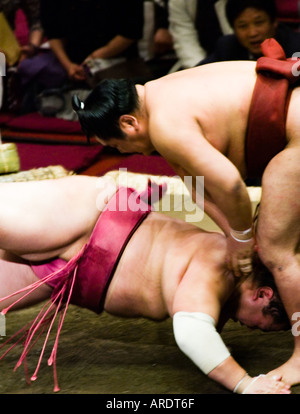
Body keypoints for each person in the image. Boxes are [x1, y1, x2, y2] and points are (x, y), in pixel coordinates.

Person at [72, 39, 300, 386]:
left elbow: (231, 185)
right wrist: (233, 233)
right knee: (268, 238)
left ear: (130, 123)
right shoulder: (160, 90)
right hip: (291, 125)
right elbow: (198, 187)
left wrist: (242, 238)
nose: (126, 152)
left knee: (277, 252)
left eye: (118, 146)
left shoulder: (165, 125)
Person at [0, 174, 291, 394]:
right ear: (262, 295)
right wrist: (246, 384)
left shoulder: (224, 291)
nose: (251, 329)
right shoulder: (221, 270)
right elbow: (192, 333)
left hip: (68, 273)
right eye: (259, 325)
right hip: (80, 222)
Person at [198, 0, 300, 65]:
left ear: (274, 22)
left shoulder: (296, 48)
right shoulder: (226, 47)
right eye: (242, 26)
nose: (252, 33)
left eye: (259, 23)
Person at [168, 0, 232, 71]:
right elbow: (185, 40)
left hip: (236, 60)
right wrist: (201, 71)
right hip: (199, 66)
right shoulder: (179, 2)